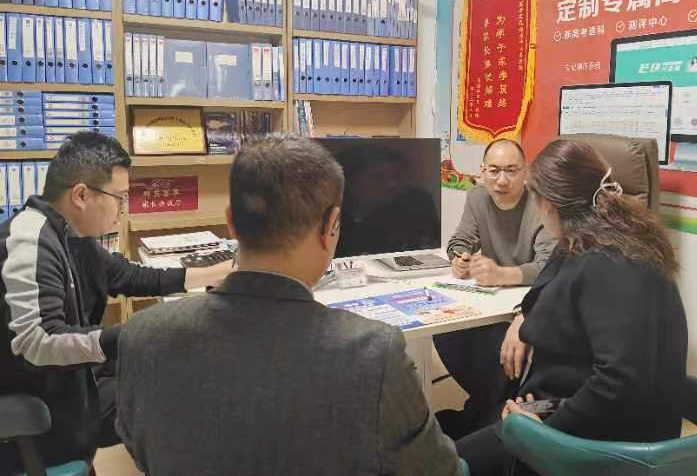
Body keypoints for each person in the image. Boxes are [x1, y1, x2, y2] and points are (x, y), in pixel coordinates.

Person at [115, 134, 461, 475]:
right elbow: (439, 470)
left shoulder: (141, 336)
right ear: (332, 225)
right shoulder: (374, 352)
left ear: (231, 223)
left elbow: (140, 449)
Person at [0, 132, 231, 470]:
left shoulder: (69, 233)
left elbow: (127, 276)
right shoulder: (29, 242)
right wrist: (135, 335)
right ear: (81, 195)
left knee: (171, 372)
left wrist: (211, 273)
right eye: (120, 198)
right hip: (48, 406)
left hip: (73, 380)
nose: (123, 209)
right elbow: (38, 343)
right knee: (178, 397)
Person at [457, 139, 688, 476]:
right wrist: (523, 317)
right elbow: (545, 286)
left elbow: (619, 382)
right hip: (572, 404)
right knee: (473, 436)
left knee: (447, 463)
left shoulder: (609, 264)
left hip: (603, 441)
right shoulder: (601, 236)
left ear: (548, 204)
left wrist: (544, 428)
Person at [434, 139, 556, 439]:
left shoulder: (540, 203)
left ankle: (484, 418)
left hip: (533, 301)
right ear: (483, 172)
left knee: (495, 346)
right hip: (490, 298)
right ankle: (483, 411)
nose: (502, 180)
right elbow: (460, 239)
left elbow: (550, 266)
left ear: (525, 172)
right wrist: (459, 258)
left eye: (511, 170)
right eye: (494, 170)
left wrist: (502, 274)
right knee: (446, 331)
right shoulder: (478, 197)